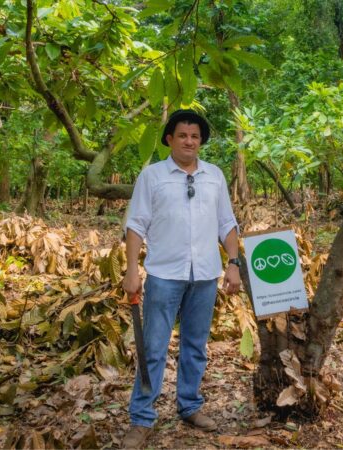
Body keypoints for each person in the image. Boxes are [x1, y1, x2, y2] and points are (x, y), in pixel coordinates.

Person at [121, 109, 242, 448]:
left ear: (200, 141)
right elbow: (136, 224)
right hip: (164, 274)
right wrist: (132, 269)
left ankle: (189, 405)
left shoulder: (214, 176)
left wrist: (233, 262)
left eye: (195, 136)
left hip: (205, 274)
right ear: (170, 139)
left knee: (195, 346)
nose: (189, 141)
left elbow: (226, 223)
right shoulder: (153, 176)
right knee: (153, 348)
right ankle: (141, 418)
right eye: (183, 135)